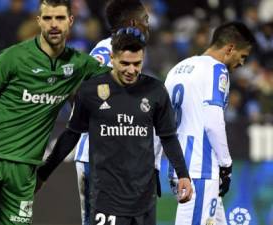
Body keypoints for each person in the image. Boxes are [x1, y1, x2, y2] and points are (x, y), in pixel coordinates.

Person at [0, 0, 110, 225]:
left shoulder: (79, 64)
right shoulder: (13, 57)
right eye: (48, 18)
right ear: (38, 21)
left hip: (24, 172)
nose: (54, 24)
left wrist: (127, 42)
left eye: (60, 18)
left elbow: (119, 76)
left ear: (70, 21)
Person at [37, 27, 193, 225]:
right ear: (112, 58)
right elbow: (71, 134)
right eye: (125, 63)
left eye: (137, 63)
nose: (131, 70)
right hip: (105, 197)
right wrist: (44, 172)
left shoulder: (155, 90)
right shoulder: (91, 91)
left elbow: (168, 136)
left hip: (144, 197)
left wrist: (183, 175)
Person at [72, 1, 159, 224]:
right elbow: (82, 88)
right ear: (133, 23)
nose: (149, 26)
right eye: (145, 21)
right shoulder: (106, 49)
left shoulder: (131, 54)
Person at [164, 21, 255, 225]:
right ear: (230, 48)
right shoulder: (217, 70)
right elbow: (213, 122)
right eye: (242, 57)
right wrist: (226, 163)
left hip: (178, 166)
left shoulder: (177, 69)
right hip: (200, 169)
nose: (241, 64)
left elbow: (160, 120)